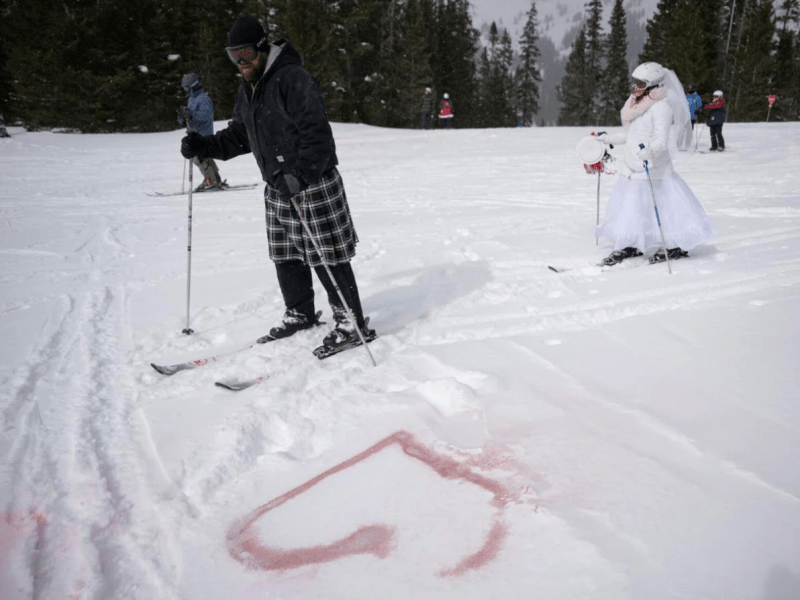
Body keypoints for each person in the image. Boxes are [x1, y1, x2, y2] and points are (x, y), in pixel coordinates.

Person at [179, 15, 373, 351]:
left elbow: (317, 135)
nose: (241, 64)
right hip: (277, 186)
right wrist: (204, 145)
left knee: (326, 254)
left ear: (262, 49)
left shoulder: (293, 79)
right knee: (285, 254)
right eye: (233, 57)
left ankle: (350, 321)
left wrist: (300, 174)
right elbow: (241, 136)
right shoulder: (249, 89)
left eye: (246, 56)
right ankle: (300, 313)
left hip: (311, 182)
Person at [593, 62, 715, 266]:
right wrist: (608, 139)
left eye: (640, 83)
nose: (635, 87)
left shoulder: (661, 107)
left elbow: (661, 139)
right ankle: (631, 242)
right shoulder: (636, 105)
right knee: (633, 209)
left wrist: (650, 151)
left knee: (665, 209)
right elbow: (630, 134)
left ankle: (674, 244)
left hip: (655, 171)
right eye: (634, 82)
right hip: (632, 168)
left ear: (653, 85)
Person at [177, 73, 226, 191]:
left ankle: (211, 181)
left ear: (194, 86)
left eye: (187, 88)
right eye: (184, 88)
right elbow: (190, 117)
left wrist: (191, 115)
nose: (186, 90)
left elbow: (205, 116)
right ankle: (216, 179)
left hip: (203, 134)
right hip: (195, 133)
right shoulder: (191, 99)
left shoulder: (204, 98)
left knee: (200, 158)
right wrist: (183, 118)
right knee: (206, 158)